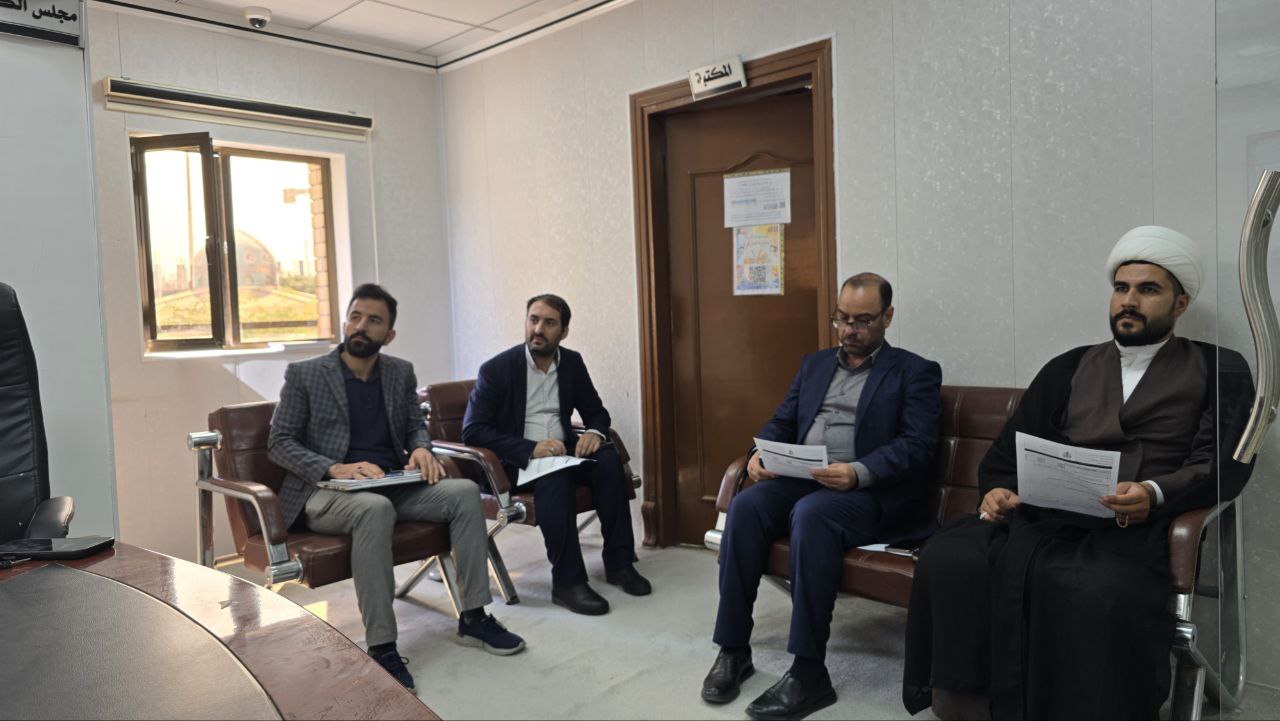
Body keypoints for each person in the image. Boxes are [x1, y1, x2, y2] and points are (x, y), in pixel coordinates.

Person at [901, 226, 1255, 720]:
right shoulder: (1069, 366)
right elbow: (1011, 449)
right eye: (1121, 288)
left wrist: (1153, 493)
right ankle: (970, 706)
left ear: (1180, 304)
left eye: (1148, 290)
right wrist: (999, 490)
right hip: (1045, 518)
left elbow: (1223, 464)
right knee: (949, 556)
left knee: (1096, 587)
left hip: (1136, 531)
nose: (1129, 300)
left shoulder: (1219, 368)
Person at [703, 273, 943, 721]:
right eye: (842, 318)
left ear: (888, 316)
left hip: (870, 493)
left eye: (862, 320)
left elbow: (917, 444)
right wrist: (758, 453)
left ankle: (809, 671)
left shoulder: (915, 372)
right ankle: (733, 649)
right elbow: (782, 420)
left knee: (812, 515)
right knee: (748, 505)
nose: (849, 329)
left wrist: (857, 472)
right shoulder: (814, 365)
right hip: (804, 478)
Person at [269, 283, 525, 694]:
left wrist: (421, 448)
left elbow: (413, 427)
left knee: (463, 492)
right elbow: (279, 442)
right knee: (374, 509)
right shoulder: (306, 374)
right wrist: (334, 466)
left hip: (391, 482)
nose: (361, 326)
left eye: (373, 321)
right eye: (355, 316)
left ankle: (474, 616)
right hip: (326, 491)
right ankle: (382, 646)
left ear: (388, 335)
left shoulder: (399, 372)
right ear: (345, 322)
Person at [461, 293, 651, 616]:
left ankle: (619, 564)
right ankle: (567, 582)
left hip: (563, 453)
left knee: (607, 460)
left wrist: (593, 433)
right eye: (533, 320)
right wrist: (530, 448)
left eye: (549, 323)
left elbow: (597, 412)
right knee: (556, 478)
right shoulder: (497, 369)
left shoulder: (572, 363)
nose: (538, 329)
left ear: (563, 332)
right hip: (516, 463)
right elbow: (473, 430)